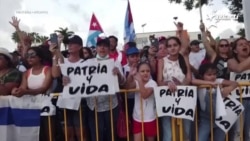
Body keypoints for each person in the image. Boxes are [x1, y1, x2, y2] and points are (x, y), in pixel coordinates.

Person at [11, 47, 53, 141]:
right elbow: (22, 88)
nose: (29, 58)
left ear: (40, 57)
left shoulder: (47, 70)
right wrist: (15, 90)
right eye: (27, 56)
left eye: (32, 55)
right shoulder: (26, 73)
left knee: (48, 134)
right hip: (32, 107)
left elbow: (44, 88)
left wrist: (26, 92)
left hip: (46, 107)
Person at [157, 37, 191, 141]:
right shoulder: (162, 61)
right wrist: (167, 83)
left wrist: (181, 85)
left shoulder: (184, 58)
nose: (172, 48)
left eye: (175, 45)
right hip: (167, 100)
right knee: (168, 134)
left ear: (179, 46)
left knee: (187, 131)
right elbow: (159, 81)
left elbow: (189, 78)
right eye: (169, 46)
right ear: (166, 48)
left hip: (184, 99)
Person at [192, 63, 238, 141]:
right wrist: (210, 83)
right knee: (200, 139)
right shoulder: (200, 84)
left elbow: (235, 83)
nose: (212, 77)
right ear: (202, 75)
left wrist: (229, 88)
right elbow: (193, 81)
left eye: (214, 74)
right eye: (209, 75)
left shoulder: (218, 80)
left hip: (220, 117)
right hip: (205, 119)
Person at [126, 62, 157, 141]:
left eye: (148, 71)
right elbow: (127, 87)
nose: (145, 73)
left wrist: (139, 80)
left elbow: (145, 95)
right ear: (138, 72)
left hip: (150, 118)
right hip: (137, 118)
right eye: (142, 71)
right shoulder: (137, 82)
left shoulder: (153, 83)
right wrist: (130, 75)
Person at [227, 37, 250, 141]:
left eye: (246, 44)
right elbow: (238, 69)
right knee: (237, 131)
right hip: (237, 100)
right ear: (235, 50)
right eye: (241, 44)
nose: (245, 46)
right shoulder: (231, 61)